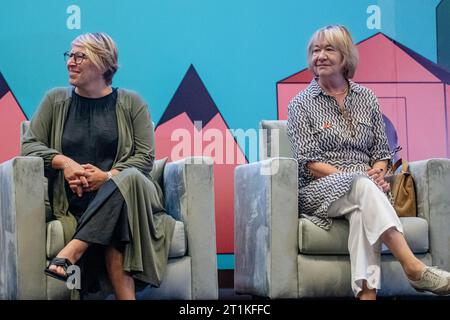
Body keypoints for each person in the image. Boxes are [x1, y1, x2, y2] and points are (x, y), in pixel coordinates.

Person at [286, 25, 450, 300]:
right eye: (315, 51)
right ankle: (413, 268)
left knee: (363, 210)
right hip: (319, 189)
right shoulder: (300, 104)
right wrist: (358, 178)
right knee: (362, 187)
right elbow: (309, 163)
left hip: (364, 188)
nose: (321, 56)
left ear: (345, 56)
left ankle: (367, 293)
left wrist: (378, 172)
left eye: (329, 49)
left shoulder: (367, 98)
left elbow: (382, 152)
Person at [21, 32, 175, 300]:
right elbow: (29, 146)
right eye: (70, 55)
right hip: (78, 200)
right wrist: (66, 163)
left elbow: (145, 159)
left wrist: (107, 177)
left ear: (104, 64)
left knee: (130, 178)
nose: (71, 62)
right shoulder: (54, 100)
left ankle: (74, 249)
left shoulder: (132, 103)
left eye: (81, 56)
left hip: (134, 198)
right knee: (117, 224)